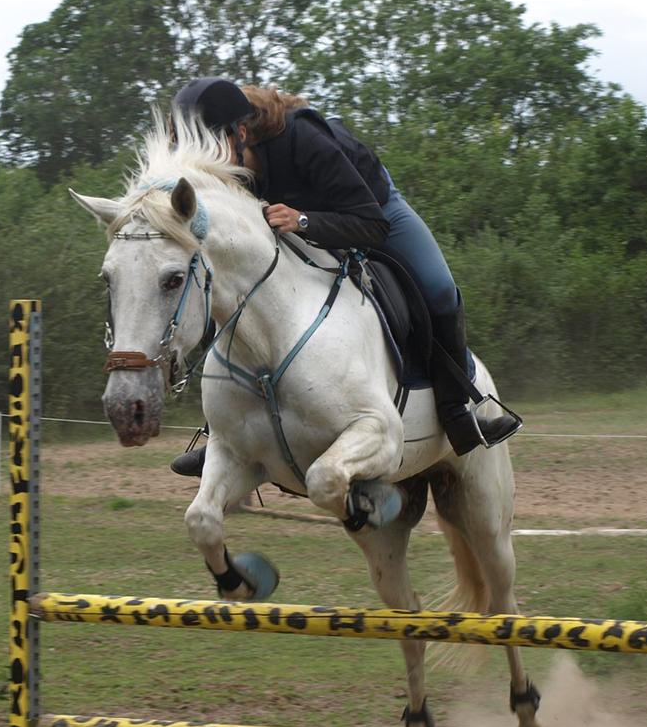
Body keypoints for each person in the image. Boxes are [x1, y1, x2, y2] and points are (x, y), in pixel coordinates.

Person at [168, 78, 519, 476]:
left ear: (241, 133)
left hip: (373, 209)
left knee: (438, 289)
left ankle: (458, 411)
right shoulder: (222, 167)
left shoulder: (304, 138)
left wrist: (303, 219)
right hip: (303, 223)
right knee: (229, 287)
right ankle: (221, 432)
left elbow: (371, 224)